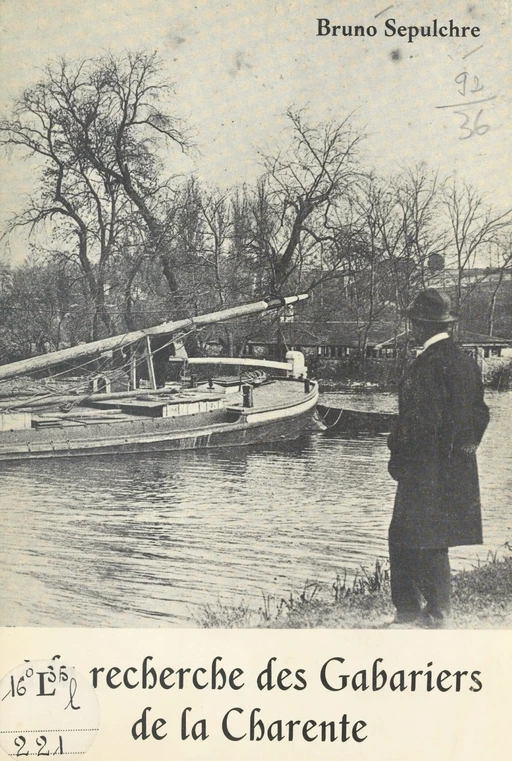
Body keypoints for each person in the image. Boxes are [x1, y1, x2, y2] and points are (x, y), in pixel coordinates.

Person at [387, 288, 490, 628]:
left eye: (414, 323)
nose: (412, 328)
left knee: (408, 536)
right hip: (452, 466)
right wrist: (466, 447)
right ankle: (433, 611)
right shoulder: (464, 360)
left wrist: (397, 449)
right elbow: (480, 413)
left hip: (423, 465)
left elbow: (419, 422)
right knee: (433, 538)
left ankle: (415, 612)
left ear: (421, 326)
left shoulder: (427, 364)